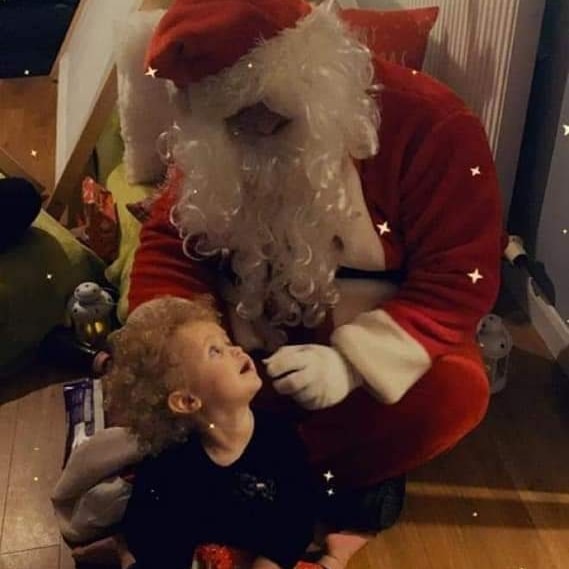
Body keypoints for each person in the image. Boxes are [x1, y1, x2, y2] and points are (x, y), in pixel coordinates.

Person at [126, 0, 505, 562]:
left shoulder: (434, 124)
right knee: (152, 373)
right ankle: (308, 490)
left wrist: (352, 365)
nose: (255, 129)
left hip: (374, 335)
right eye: (234, 122)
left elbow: (458, 278)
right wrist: (164, 345)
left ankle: (245, 479)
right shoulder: (214, 141)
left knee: (455, 392)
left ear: (311, 67)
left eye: (272, 114)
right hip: (243, 347)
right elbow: (169, 243)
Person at [105, 296, 363, 569]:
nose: (237, 350)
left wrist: (272, 559)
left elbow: (298, 510)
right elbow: (150, 531)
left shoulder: (278, 439)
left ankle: (336, 554)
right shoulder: (169, 466)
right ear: (188, 401)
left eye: (227, 342)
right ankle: (118, 551)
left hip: (264, 550)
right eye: (215, 351)